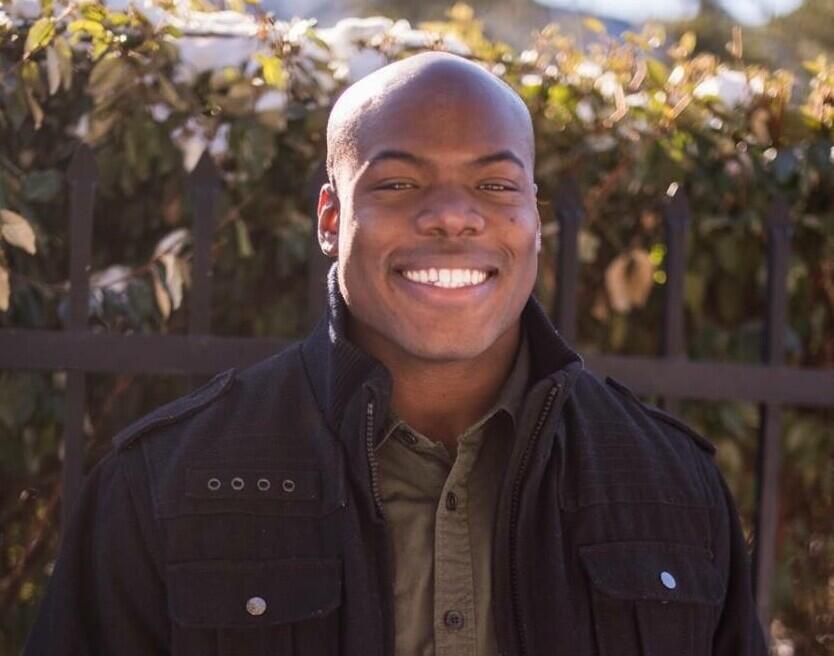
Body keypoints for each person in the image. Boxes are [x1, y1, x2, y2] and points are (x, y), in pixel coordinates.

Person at [25, 52, 766, 656]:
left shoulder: (672, 488)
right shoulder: (163, 485)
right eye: (400, 181)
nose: (451, 214)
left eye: (494, 182)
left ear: (533, 218)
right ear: (330, 217)